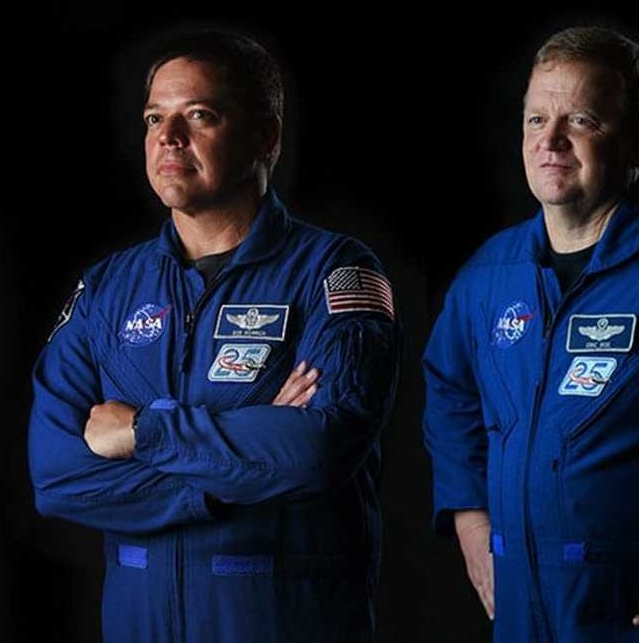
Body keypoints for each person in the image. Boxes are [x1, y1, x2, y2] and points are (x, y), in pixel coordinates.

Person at [27, 31, 400, 642]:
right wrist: (246, 460)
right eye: (155, 118)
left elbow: (316, 452)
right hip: (140, 624)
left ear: (266, 137)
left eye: (199, 115)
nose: (168, 137)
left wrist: (144, 431)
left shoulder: (334, 273)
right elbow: (56, 476)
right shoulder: (108, 289)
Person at [423, 26, 639, 642]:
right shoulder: (488, 277)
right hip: (526, 623)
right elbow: (449, 390)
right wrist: (471, 522)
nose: (550, 140)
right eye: (536, 120)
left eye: (581, 120)